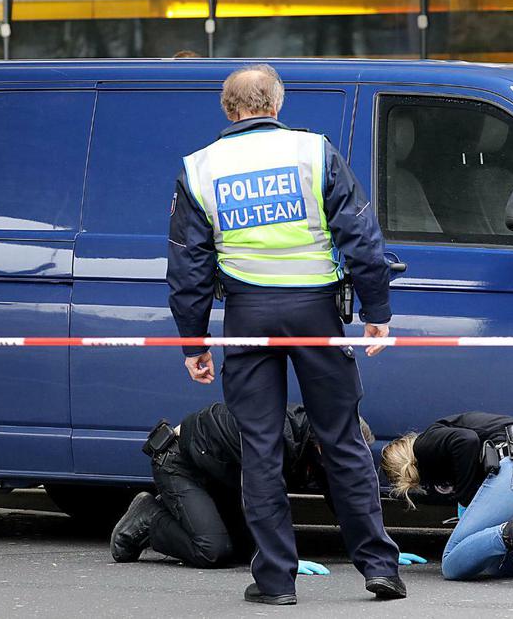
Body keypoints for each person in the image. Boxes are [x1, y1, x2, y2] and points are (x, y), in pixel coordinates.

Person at [167, 63, 404, 605]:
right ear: (276, 104)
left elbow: (188, 267)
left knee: (260, 448)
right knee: (341, 438)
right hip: (316, 312)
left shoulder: (200, 168)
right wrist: (377, 308)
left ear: (229, 110)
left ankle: (275, 581)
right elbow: (361, 236)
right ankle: (378, 569)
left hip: (247, 316)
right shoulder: (312, 151)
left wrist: (193, 342)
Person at [109, 402, 427, 575]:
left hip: (220, 470)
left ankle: (180, 513)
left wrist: (377, 548)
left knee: (241, 549)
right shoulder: (280, 437)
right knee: (213, 551)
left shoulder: (321, 446)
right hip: (180, 462)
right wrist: (279, 557)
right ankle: (149, 517)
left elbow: (346, 498)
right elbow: (259, 495)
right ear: (322, 448)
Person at [380, 412, 513, 588]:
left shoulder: (425, 443)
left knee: (451, 562)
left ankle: (510, 531)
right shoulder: (464, 429)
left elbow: (464, 441)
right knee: (498, 563)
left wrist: (465, 498)